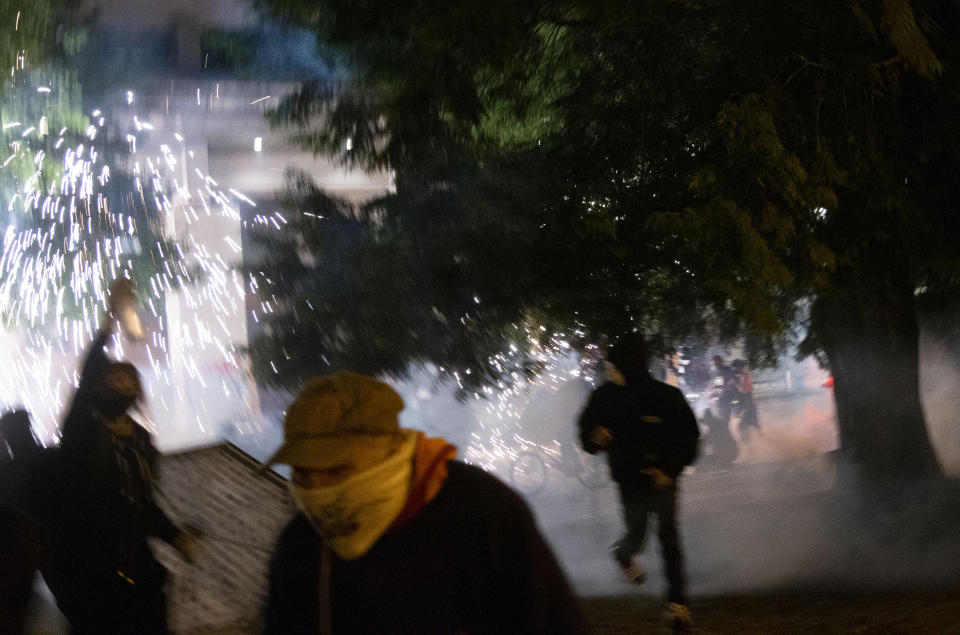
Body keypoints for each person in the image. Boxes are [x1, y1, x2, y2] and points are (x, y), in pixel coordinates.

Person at [263, 371, 584, 634]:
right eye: (303, 473)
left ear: (391, 450)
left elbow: (552, 622)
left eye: (336, 469)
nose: (318, 490)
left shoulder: (482, 512)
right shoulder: (300, 543)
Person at [44, 279, 197, 634]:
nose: (120, 388)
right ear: (99, 388)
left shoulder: (140, 442)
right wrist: (109, 322)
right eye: (113, 382)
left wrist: (174, 536)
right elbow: (87, 376)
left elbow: (141, 504)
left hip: (138, 574)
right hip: (92, 578)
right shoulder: (82, 432)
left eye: (128, 385)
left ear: (137, 394)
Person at [579, 333, 700, 630]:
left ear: (628, 366)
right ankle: (623, 552)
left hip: (663, 480)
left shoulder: (665, 397)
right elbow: (586, 435)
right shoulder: (603, 398)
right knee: (638, 533)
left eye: (614, 365)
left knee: (669, 536)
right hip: (630, 482)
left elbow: (688, 436)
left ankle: (678, 604)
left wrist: (668, 469)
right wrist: (594, 439)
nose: (608, 370)